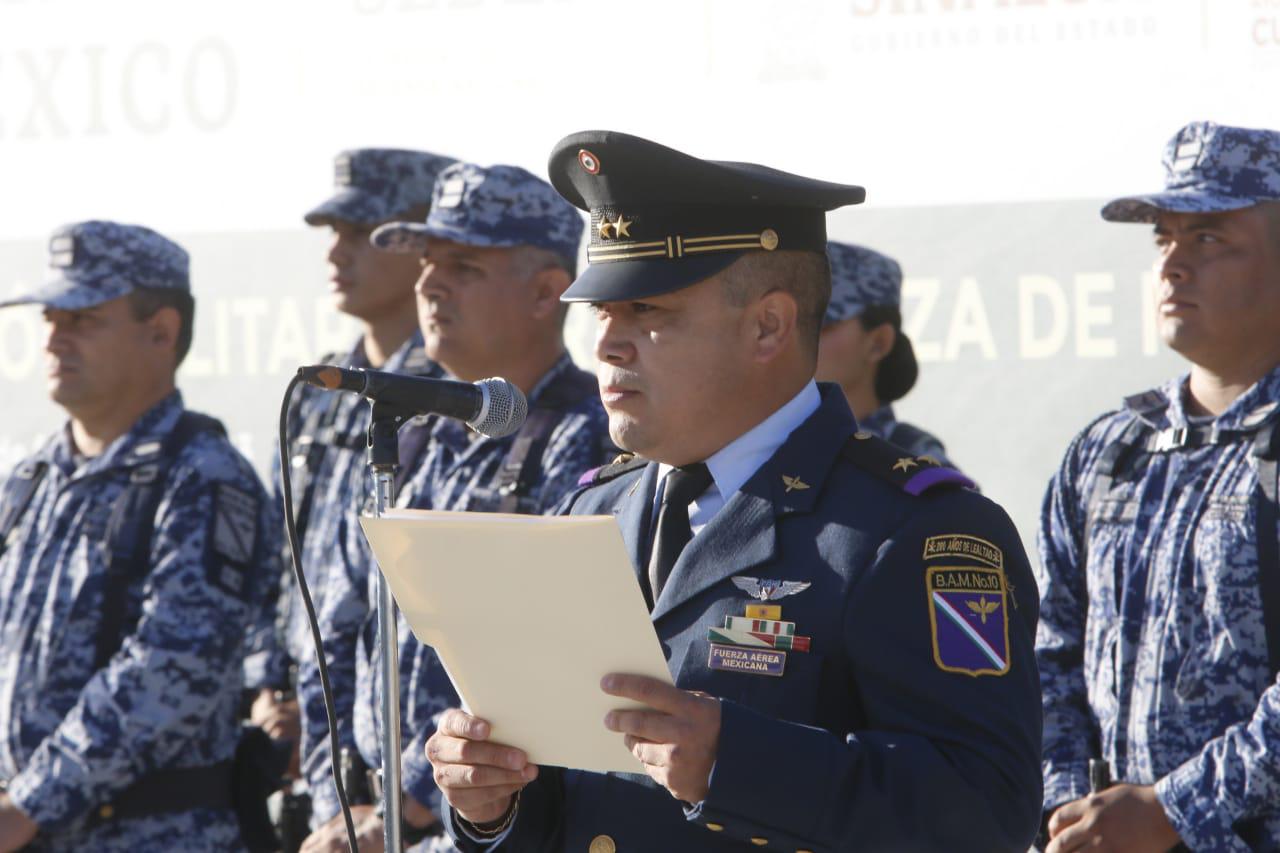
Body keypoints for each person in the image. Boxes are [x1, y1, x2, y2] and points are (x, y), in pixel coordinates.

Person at [423, 131, 1043, 852]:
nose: (609, 344)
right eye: (603, 312)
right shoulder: (591, 512)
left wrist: (734, 761)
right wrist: (492, 802)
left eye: (649, 312)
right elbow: (581, 802)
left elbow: (987, 814)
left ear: (768, 326)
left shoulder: (913, 532)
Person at [299, 162, 614, 852]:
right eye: (426, 262)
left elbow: (543, 651)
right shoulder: (405, 438)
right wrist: (342, 810)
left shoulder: (588, 436)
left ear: (546, 293)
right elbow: (332, 630)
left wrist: (401, 810)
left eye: (463, 266)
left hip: (495, 826)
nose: (428, 284)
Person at [1036, 121, 1280, 852]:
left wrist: (1172, 809)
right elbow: (1047, 652)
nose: (1173, 263)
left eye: (1208, 238)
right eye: (1162, 238)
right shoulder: (1112, 447)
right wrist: (1069, 812)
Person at [0, 220, 279, 852]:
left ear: (161, 331)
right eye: (50, 318)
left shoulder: (203, 476)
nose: (54, 339)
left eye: (83, 319)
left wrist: (30, 803)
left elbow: (173, 666)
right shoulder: (33, 479)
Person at [262, 147, 456, 835]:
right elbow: (283, 561)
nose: (335, 252)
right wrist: (270, 682)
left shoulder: (459, 398)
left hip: (423, 788)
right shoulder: (318, 394)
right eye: (331, 233)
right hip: (323, 757)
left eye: (359, 231)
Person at [816, 240, 955, 466]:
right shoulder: (767, 448)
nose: (797, 339)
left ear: (879, 342)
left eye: (819, 326)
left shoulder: (916, 466)